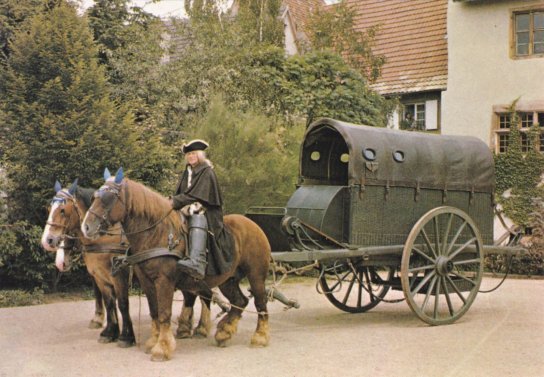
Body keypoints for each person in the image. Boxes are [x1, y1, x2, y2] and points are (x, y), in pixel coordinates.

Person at [170, 139, 233, 280]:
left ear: (199, 155)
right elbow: (183, 194)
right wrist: (173, 201)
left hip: (207, 212)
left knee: (196, 216)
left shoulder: (206, 171)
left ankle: (196, 261)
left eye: (193, 153)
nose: (190, 157)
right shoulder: (187, 172)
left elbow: (197, 196)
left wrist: (175, 201)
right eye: (188, 154)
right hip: (187, 206)